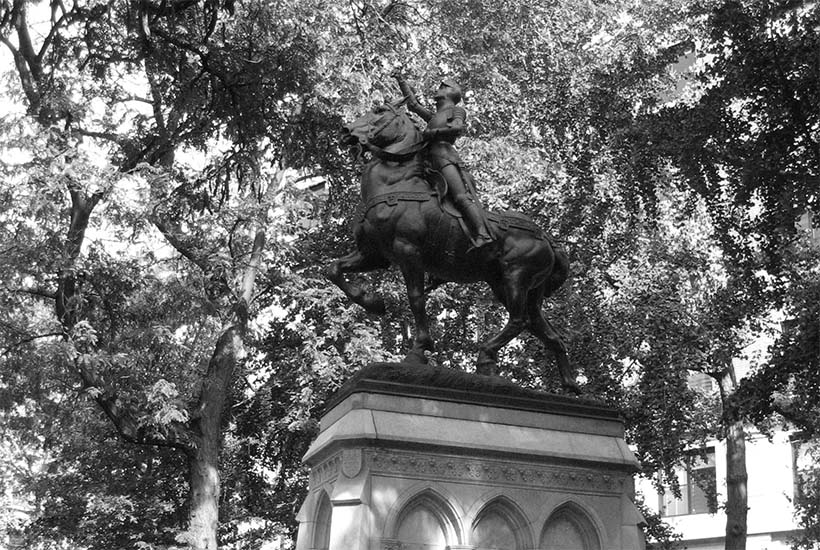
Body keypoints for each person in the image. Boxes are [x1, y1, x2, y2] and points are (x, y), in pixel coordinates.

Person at [393, 71, 493, 251]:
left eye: (441, 87)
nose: (437, 90)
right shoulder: (433, 116)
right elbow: (413, 104)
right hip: (426, 160)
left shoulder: (456, 110)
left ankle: (482, 234)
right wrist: (401, 80)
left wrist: (433, 133)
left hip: (444, 156)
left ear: (450, 91)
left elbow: (457, 127)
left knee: (460, 196)